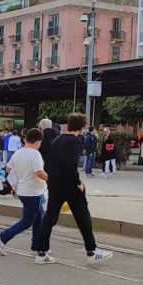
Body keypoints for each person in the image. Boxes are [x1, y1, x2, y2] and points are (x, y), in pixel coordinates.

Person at [34, 112, 113, 265]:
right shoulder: (76, 142)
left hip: (55, 184)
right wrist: (78, 183)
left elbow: (49, 163)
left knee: (49, 217)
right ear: (81, 127)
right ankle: (91, 251)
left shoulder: (57, 140)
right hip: (70, 185)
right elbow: (71, 165)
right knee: (83, 217)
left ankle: (41, 252)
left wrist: (51, 181)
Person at [0, 128, 49, 256]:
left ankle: (37, 245)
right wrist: (52, 178)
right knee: (27, 221)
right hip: (32, 192)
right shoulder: (35, 154)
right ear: (38, 141)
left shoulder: (17, 153)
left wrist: (2, 175)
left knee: (39, 218)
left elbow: (7, 169)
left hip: (24, 191)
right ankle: (2, 237)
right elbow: (39, 172)